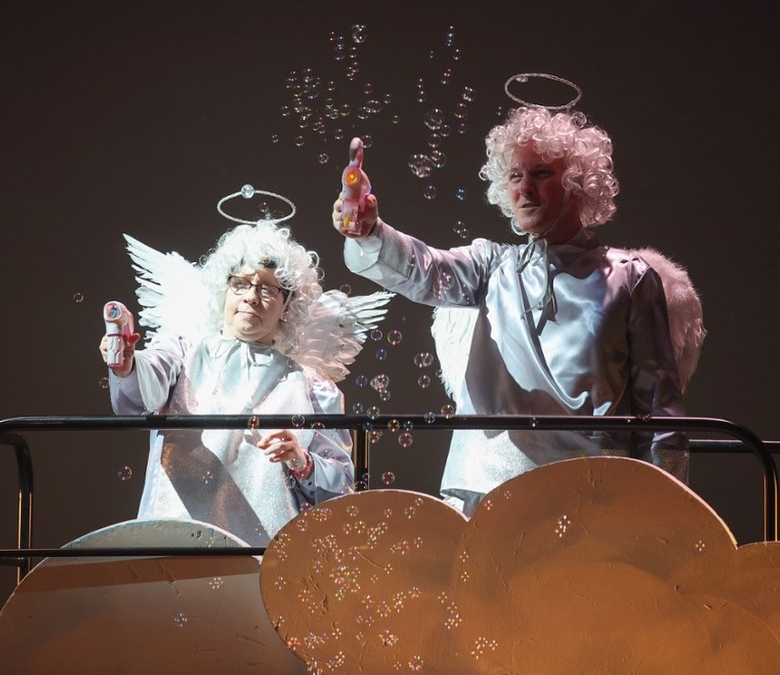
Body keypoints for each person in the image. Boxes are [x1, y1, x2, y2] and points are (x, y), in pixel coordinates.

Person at [334, 105, 703, 517]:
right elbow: (426, 269)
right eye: (514, 175)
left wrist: (668, 514)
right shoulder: (491, 266)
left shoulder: (630, 278)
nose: (525, 188)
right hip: (485, 493)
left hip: (591, 499)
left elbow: (660, 411)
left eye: (541, 173)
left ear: (577, 182)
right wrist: (370, 231)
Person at [101, 219, 391, 545]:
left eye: (267, 289)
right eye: (241, 283)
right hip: (174, 544)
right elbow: (139, 396)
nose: (251, 296)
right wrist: (126, 365)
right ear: (224, 289)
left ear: (287, 305)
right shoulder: (181, 353)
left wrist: (301, 460)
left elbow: (341, 485)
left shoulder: (311, 386)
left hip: (267, 555)